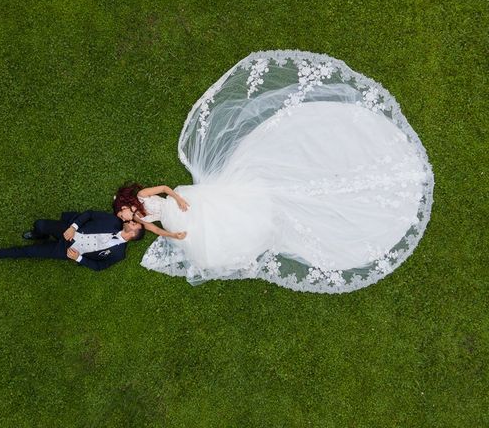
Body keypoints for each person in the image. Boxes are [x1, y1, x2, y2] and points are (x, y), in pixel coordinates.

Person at [139, 50, 434, 294]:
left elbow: (163, 189)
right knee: (225, 222)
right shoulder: (141, 219)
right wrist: (170, 232)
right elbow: (151, 228)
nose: (127, 217)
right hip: (179, 216)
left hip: (182, 202)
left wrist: (176, 200)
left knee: (244, 190)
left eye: (124, 213)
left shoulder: (140, 198)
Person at [0, 210, 145, 271]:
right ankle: (39, 235)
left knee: (30, 252)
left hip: (68, 251)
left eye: (133, 225)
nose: (130, 221)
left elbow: (99, 267)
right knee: (40, 224)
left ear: (133, 235)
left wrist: (78, 258)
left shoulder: (119, 254)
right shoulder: (113, 221)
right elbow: (90, 214)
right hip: (69, 232)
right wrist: (73, 227)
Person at [112, 183, 189, 240]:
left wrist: (179, 199)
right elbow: (156, 229)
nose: (124, 220)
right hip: (170, 219)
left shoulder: (141, 195)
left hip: (175, 205)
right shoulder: (137, 219)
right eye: (123, 220)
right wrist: (173, 235)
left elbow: (164, 188)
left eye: (122, 216)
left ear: (124, 207)